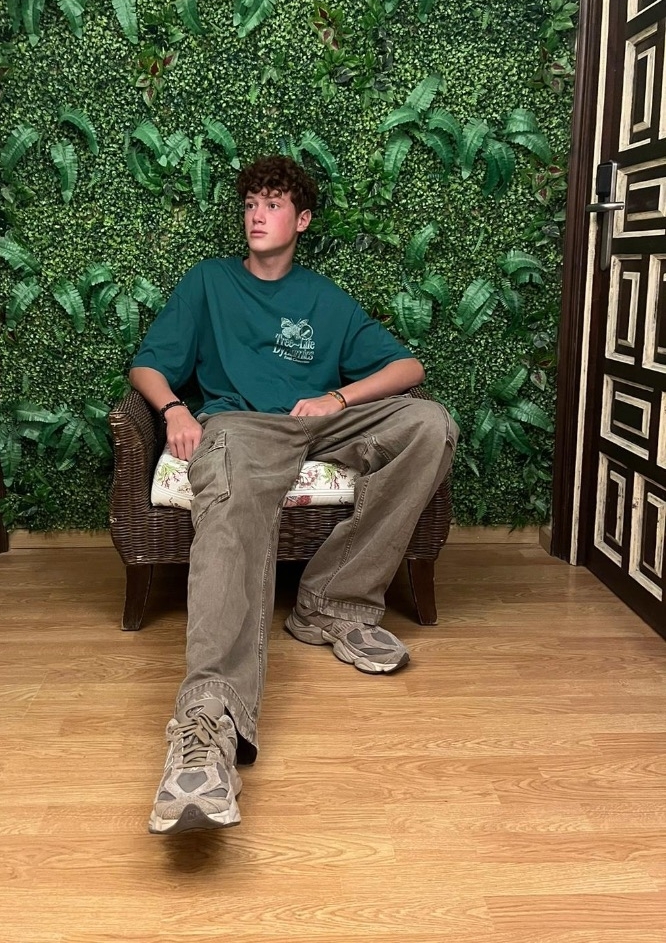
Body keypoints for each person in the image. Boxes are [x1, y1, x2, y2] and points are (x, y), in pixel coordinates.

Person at [129, 155, 457, 835]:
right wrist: (175, 410)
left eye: (273, 204)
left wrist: (338, 397)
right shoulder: (209, 282)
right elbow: (148, 365)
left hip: (320, 422)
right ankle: (209, 722)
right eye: (250, 203)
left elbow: (409, 367)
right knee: (229, 504)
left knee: (430, 424)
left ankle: (332, 603)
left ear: (301, 220)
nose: (257, 215)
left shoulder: (324, 298)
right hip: (242, 428)